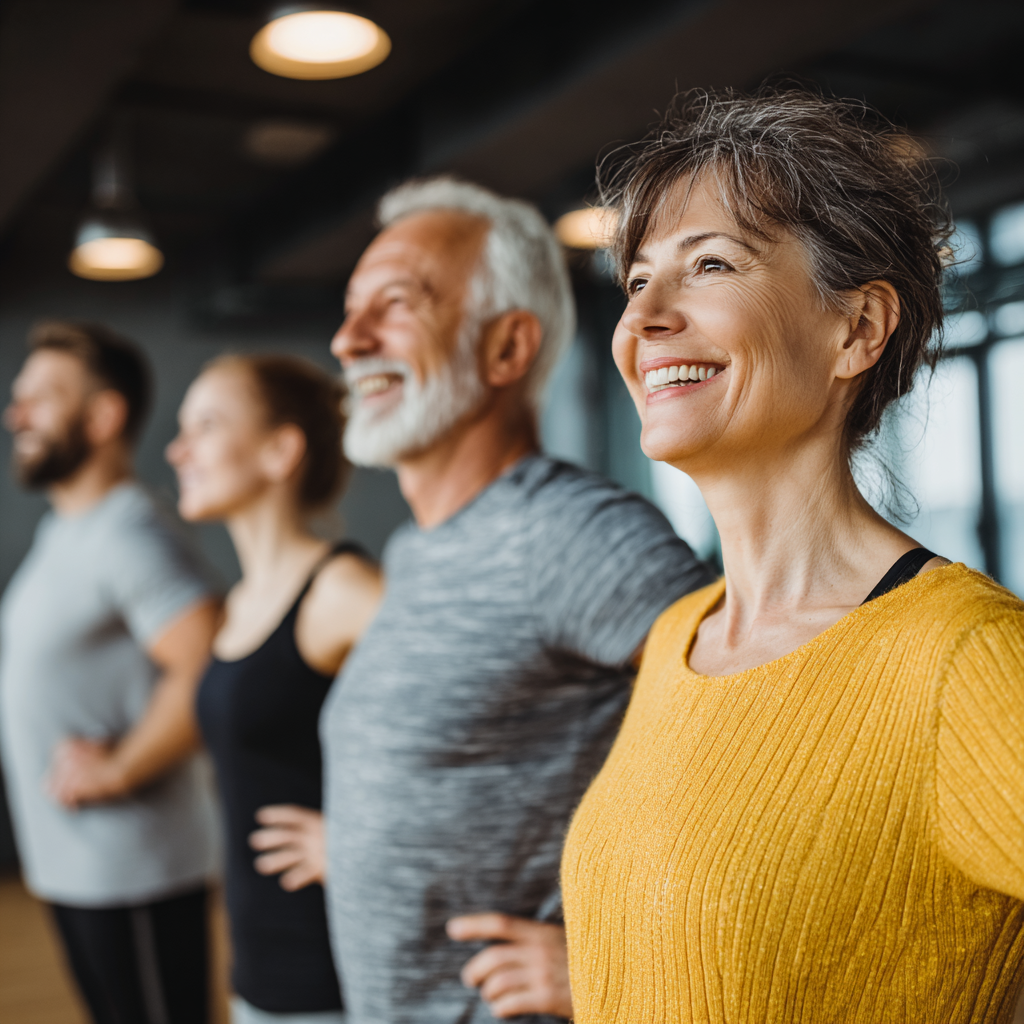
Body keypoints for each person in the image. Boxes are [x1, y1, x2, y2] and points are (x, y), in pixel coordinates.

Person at [560, 87, 1024, 1024]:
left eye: (711, 264)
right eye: (638, 280)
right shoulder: (677, 635)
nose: (646, 317)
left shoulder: (966, 663)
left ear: (856, 329)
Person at [320, 175, 714, 1024]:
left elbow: (782, 754)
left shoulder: (572, 534)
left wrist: (613, 959)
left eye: (395, 304)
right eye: (352, 309)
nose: (349, 341)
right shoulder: (416, 546)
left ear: (506, 349)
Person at [0, 321, 221, 1024]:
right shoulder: (70, 528)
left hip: (136, 873)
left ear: (103, 416)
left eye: (41, 398)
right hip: (74, 865)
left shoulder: (130, 532)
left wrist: (120, 768)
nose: (17, 414)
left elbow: (207, 661)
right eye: (18, 396)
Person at [167, 353, 383, 1024]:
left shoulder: (342, 593)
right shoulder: (238, 603)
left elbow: (476, 732)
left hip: (331, 974)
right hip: (256, 964)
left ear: (280, 450)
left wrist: (355, 837)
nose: (178, 450)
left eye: (205, 425)